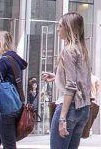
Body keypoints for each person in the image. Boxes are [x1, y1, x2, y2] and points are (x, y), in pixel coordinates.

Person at [40, 13, 92, 149]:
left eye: (60, 26)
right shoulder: (83, 50)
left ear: (68, 28)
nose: (58, 29)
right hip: (83, 109)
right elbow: (80, 79)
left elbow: (71, 86)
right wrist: (56, 76)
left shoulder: (68, 51)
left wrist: (62, 117)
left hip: (69, 109)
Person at [0, 31, 28, 149]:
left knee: (8, 144)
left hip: (7, 107)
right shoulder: (14, 59)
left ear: (1, 42)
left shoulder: (3, 60)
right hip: (16, 104)